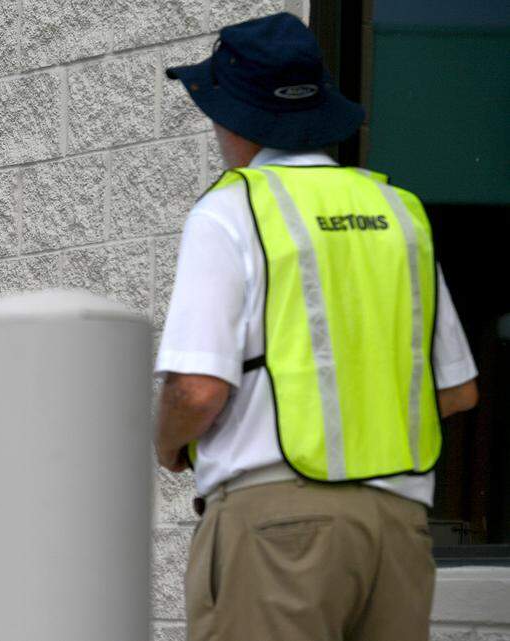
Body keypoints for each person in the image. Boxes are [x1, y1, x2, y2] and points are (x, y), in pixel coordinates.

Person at [153, 13, 479, 641]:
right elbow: (456, 392)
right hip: (398, 532)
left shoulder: (231, 209)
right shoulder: (399, 214)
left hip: (277, 531)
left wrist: (167, 443)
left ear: (235, 116)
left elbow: (196, 390)